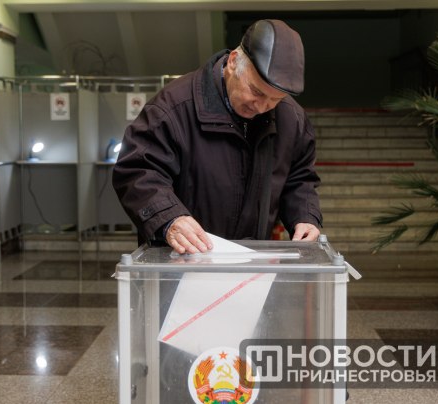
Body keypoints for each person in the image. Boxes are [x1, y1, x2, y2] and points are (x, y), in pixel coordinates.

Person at [113, 19, 322, 254]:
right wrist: (169, 218)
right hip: (182, 260)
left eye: (275, 99)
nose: (262, 107)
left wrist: (304, 216)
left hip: (250, 263)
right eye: (256, 91)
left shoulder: (292, 118)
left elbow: (300, 178)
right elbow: (139, 170)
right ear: (233, 62)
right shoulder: (173, 108)